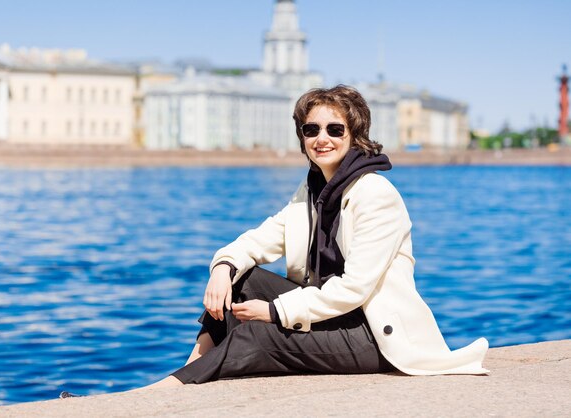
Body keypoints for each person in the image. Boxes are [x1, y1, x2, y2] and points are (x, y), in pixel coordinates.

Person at [139, 84, 489, 390]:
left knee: (259, 334)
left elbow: (355, 289)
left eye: (335, 129)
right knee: (241, 277)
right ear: (302, 137)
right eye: (312, 129)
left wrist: (276, 311)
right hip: (331, 317)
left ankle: (172, 389)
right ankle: (188, 368)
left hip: (375, 335)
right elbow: (260, 239)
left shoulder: (375, 194)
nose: (322, 139)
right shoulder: (313, 191)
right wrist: (223, 267)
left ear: (355, 136)